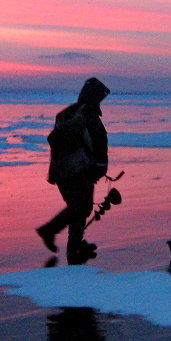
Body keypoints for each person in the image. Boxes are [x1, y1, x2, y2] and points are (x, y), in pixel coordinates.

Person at [36, 77, 110, 260]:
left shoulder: (65, 113)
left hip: (61, 170)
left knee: (79, 207)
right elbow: (100, 142)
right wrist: (100, 167)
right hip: (81, 169)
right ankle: (49, 230)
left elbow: (57, 145)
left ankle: (75, 246)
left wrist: (53, 172)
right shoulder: (89, 116)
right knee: (80, 206)